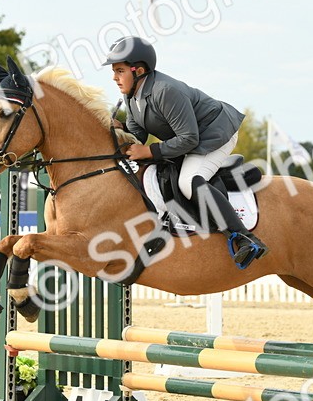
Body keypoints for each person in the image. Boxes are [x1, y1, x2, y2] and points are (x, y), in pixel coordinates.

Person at [103, 36, 267, 268]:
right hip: (191, 137)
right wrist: (119, 131)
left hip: (216, 132)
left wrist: (150, 150)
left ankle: (245, 238)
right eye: (114, 71)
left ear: (138, 70)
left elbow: (189, 139)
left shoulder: (165, 91)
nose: (114, 77)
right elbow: (137, 136)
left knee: (188, 181)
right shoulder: (131, 97)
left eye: (119, 71)